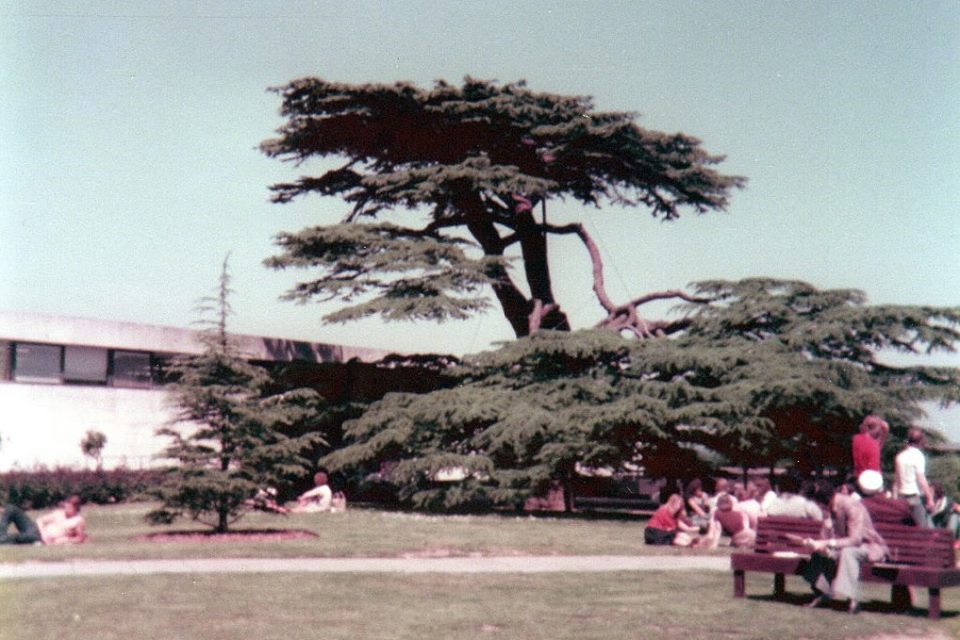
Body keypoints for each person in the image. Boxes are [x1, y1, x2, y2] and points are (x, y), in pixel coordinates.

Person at [802, 482, 889, 615]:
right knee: (820, 554)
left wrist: (828, 543)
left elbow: (856, 540)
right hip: (844, 547)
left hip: (869, 546)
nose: (818, 507)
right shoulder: (830, 507)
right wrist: (817, 544)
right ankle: (822, 594)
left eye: (817, 503)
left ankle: (853, 600)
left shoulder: (851, 505)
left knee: (849, 553)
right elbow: (825, 538)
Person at [0, 496, 87, 545]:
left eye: (69, 507)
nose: (66, 509)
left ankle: (3, 539)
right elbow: (40, 520)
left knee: (17, 537)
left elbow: (80, 538)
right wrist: (43, 533)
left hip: (40, 538)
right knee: (11, 509)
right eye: (66, 506)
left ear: (76, 508)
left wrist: (64, 540)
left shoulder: (78, 520)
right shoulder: (59, 513)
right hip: (37, 530)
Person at [893, 427, 935, 528]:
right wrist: (930, 498)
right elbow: (921, 479)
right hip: (914, 498)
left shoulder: (900, 456)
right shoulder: (918, 456)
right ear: (921, 441)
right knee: (922, 529)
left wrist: (894, 498)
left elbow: (896, 481)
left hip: (901, 498)